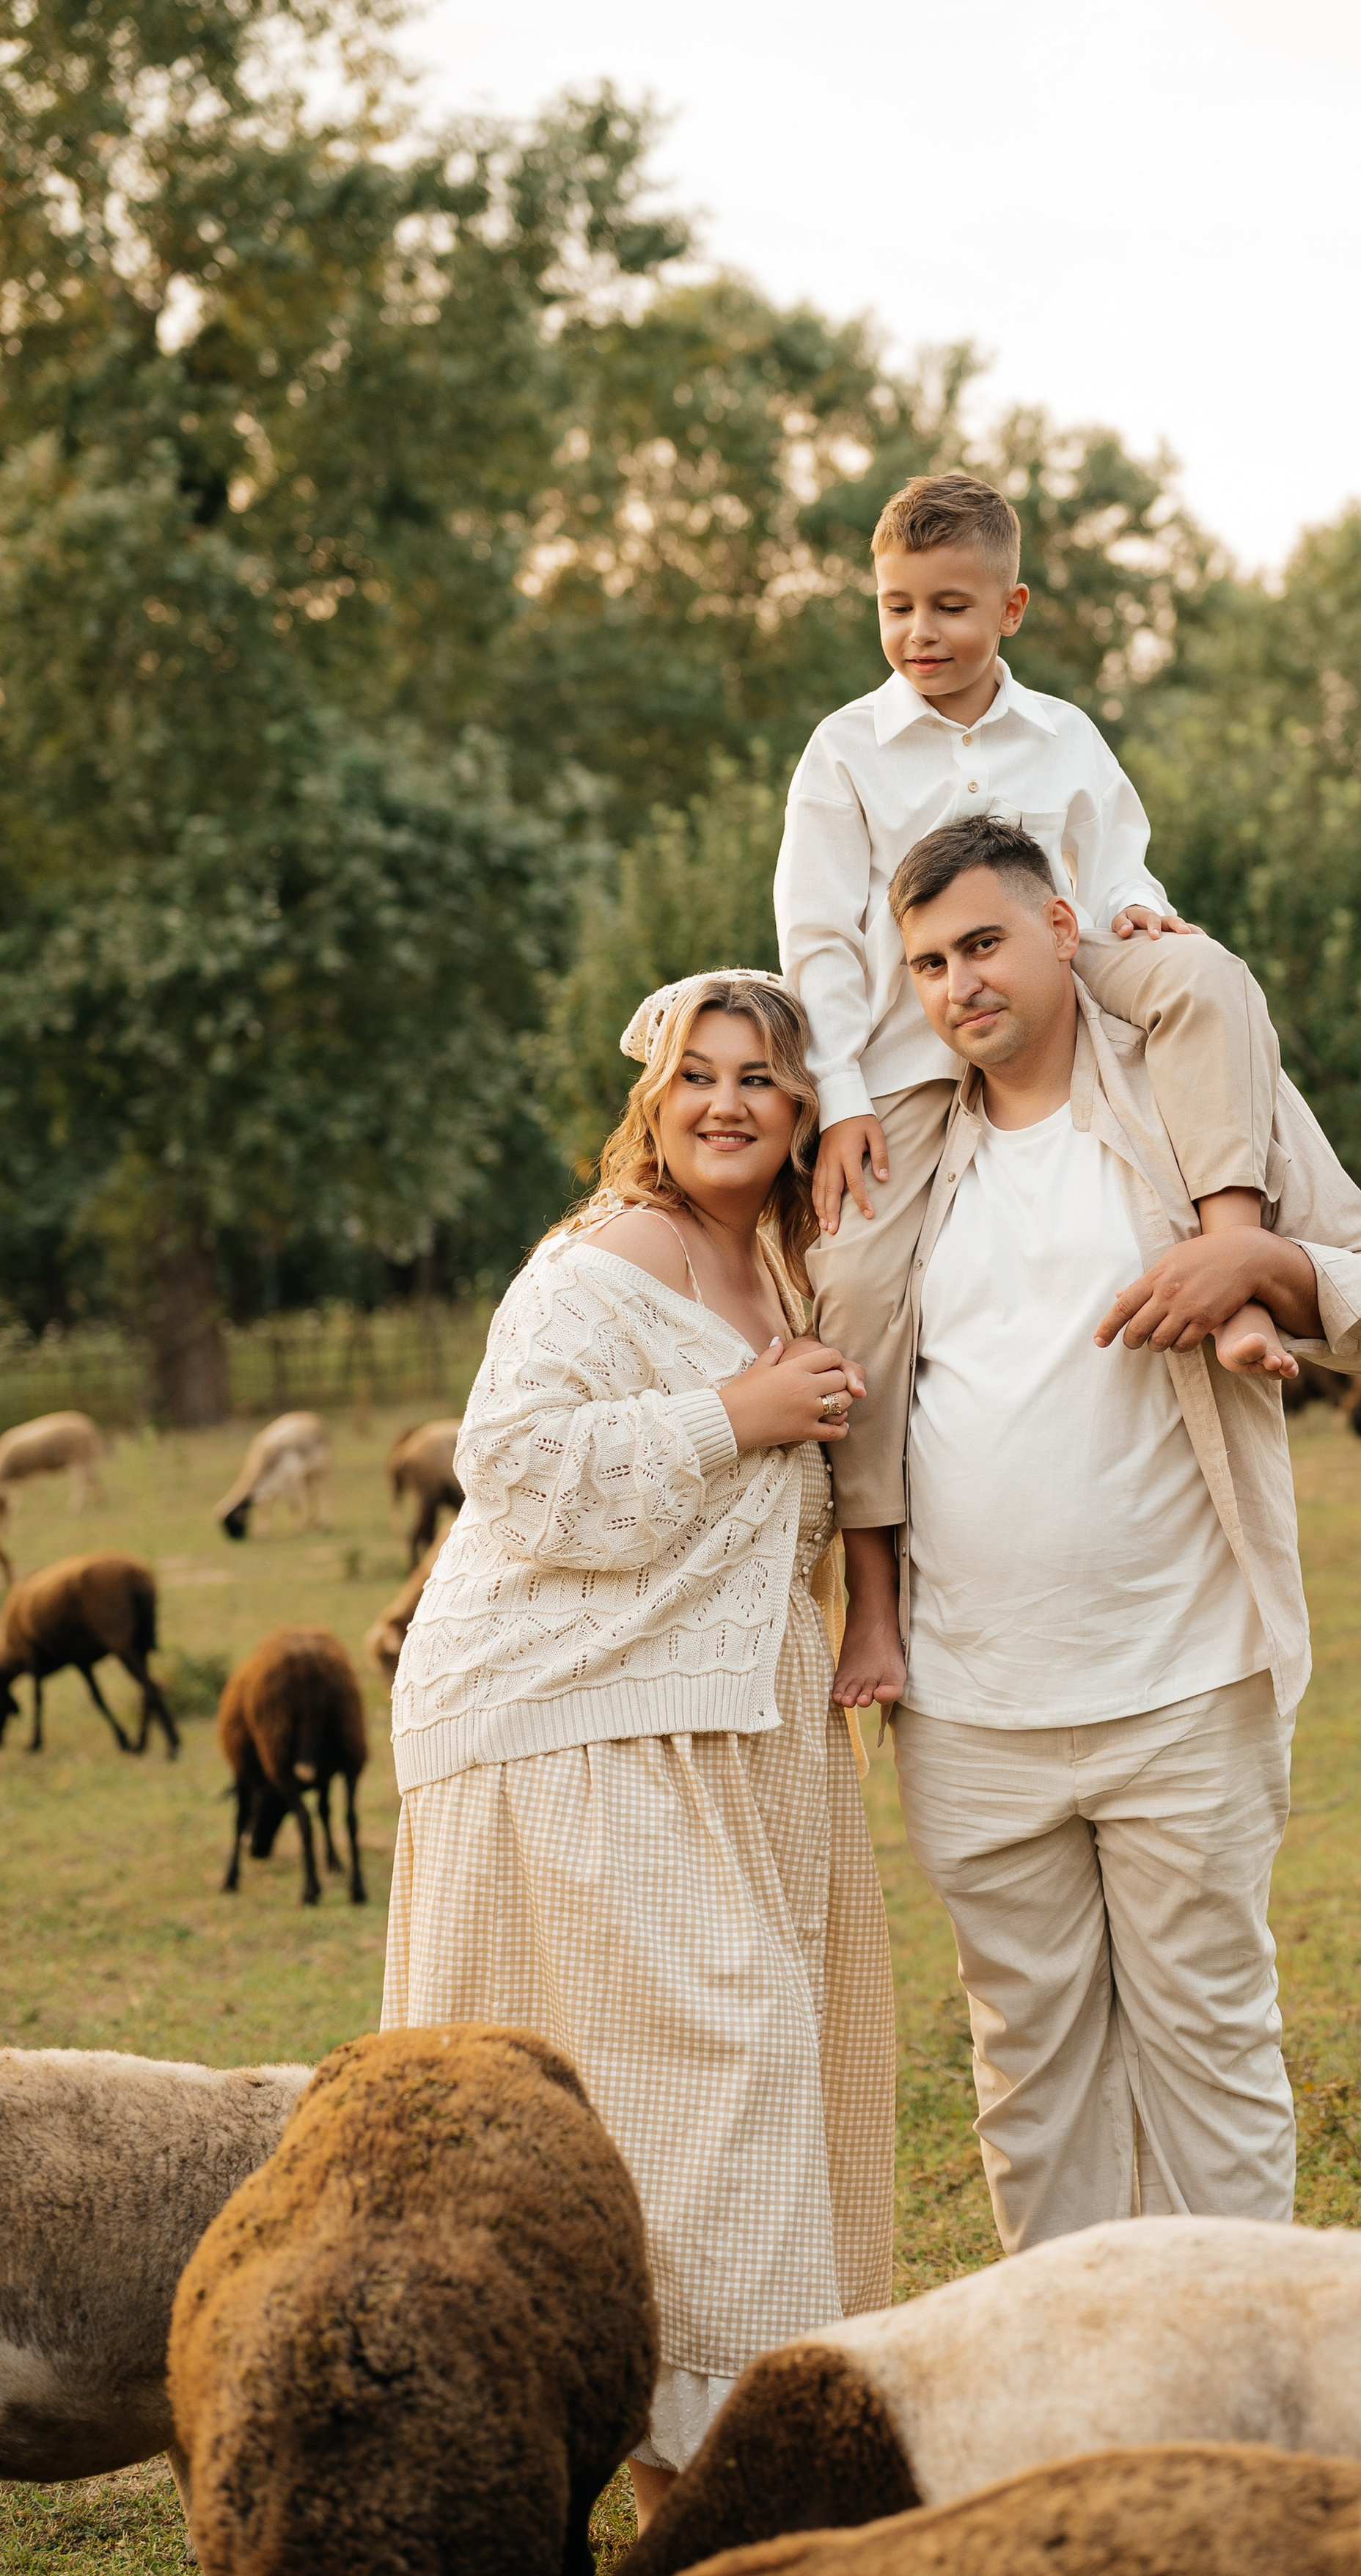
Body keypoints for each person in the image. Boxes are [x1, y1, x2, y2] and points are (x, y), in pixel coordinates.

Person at [836, 815, 1361, 2249]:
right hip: (970, 1708)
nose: (958, 983)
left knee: (1208, 2043)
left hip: (1182, 1678)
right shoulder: (910, 1155)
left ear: (1061, 929)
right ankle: (1077, 2402)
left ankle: (1235, 2381)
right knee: (1027, 2071)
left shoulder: (1184, 1087)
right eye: (925, 962)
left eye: (981, 942)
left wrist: (1257, 1260)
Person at [381, 971, 892, 2526]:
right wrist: (732, 1412)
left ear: (805, 1112)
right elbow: (515, 1470)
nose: (726, 1100)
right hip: (568, 1725)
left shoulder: (788, 1281)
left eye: (760, 1078)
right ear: (653, 1104)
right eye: (697, 1075)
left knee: (716, 2097)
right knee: (717, 2079)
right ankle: (709, 2480)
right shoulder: (598, 1264)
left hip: (711, 1732)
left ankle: (697, 2474)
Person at [774, 472, 1299, 1570]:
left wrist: (1141, 912)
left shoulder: (1063, 736)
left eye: (950, 606)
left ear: (1010, 609)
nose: (919, 631)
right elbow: (818, 937)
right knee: (858, 1286)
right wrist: (845, 1102)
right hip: (913, 1050)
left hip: (1071, 997)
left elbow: (1113, 865)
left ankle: (1236, 1246)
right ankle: (871, 1576)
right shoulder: (844, 753)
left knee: (1205, 973)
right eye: (896, 605)